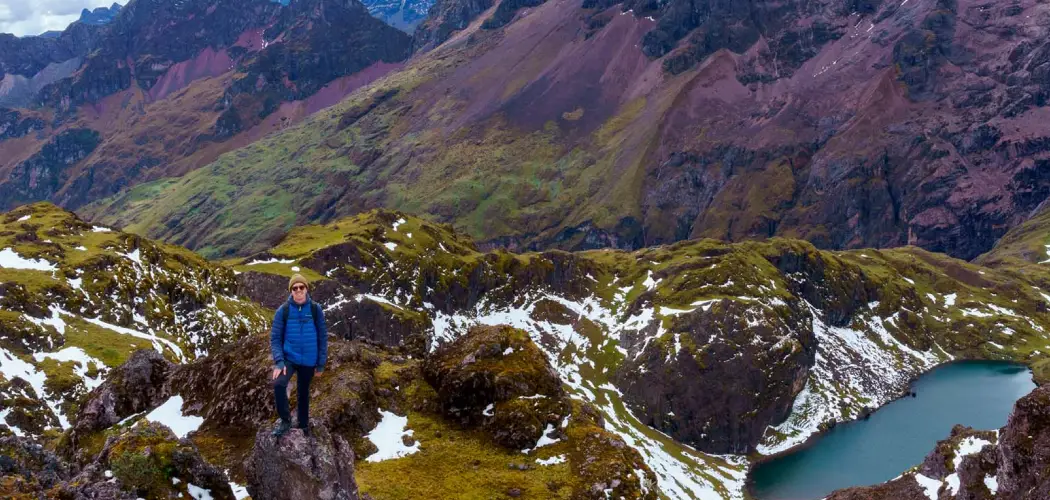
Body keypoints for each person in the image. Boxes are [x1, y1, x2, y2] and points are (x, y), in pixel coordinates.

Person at [270, 274, 327, 438]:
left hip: (309, 360)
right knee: (279, 384)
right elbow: (275, 338)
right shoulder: (284, 311)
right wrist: (279, 362)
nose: (298, 291)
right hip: (289, 358)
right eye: (295, 288)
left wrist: (320, 363)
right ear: (291, 291)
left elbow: (322, 337)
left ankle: (303, 426)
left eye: (301, 287)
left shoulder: (316, 310)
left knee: (303, 393)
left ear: (306, 289)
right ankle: (285, 421)